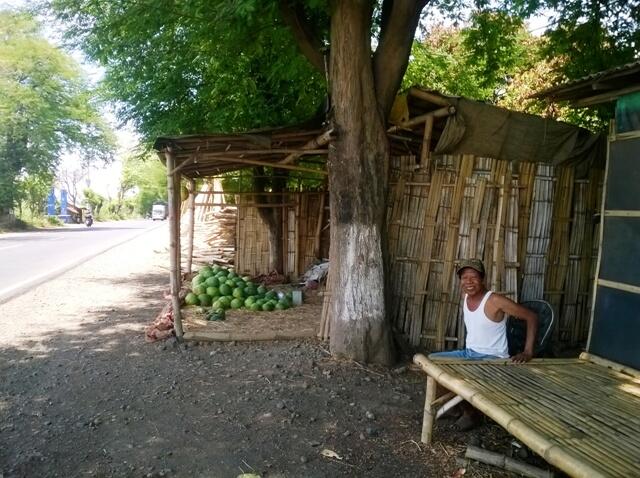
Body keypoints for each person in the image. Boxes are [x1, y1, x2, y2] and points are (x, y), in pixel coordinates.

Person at [429, 258, 538, 429]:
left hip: (491, 358)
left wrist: (528, 351)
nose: (469, 282)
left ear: (483, 279)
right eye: (464, 278)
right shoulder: (465, 296)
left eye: (473, 277)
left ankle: (472, 415)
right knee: (430, 361)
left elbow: (531, 317)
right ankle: (456, 407)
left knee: (456, 373)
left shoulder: (494, 300)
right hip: (469, 353)